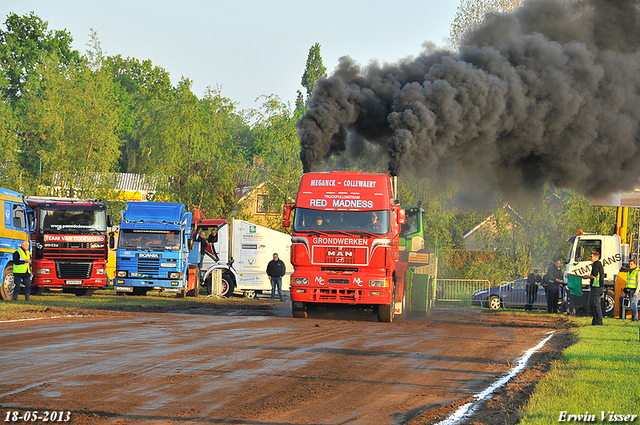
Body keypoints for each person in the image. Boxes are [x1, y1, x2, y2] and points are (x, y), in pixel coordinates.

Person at [582, 249, 604, 325]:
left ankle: (598, 321)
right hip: (597, 287)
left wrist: (586, 277)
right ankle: (595, 321)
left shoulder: (596, 264)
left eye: (591, 256)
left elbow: (594, 276)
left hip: (596, 287)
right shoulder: (598, 264)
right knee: (593, 305)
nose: (590, 257)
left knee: (596, 305)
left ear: (596, 257)